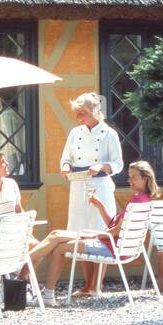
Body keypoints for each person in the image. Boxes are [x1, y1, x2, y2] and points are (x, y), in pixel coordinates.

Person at [27, 160, 158, 303]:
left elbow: (115, 231)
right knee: (57, 238)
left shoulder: (137, 202)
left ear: (145, 179)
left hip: (111, 247)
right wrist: (99, 204)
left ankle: (30, 272)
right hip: (120, 246)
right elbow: (113, 225)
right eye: (129, 176)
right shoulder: (144, 201)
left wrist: (91, 235)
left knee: (58, 242)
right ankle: (44, 291)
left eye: (134, 177)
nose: (129, 180)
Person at [59, 92, 123, 235]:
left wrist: (100, 166)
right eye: (77, 114)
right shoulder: (74, 133)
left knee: (99, 228)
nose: (79, 118)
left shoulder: (109, 134)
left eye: (82, 113)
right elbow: (66, 158)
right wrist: (65, 167)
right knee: (78, 230)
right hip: (78, 185)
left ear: (94, 111)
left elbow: (118, 164)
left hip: (100, 187)